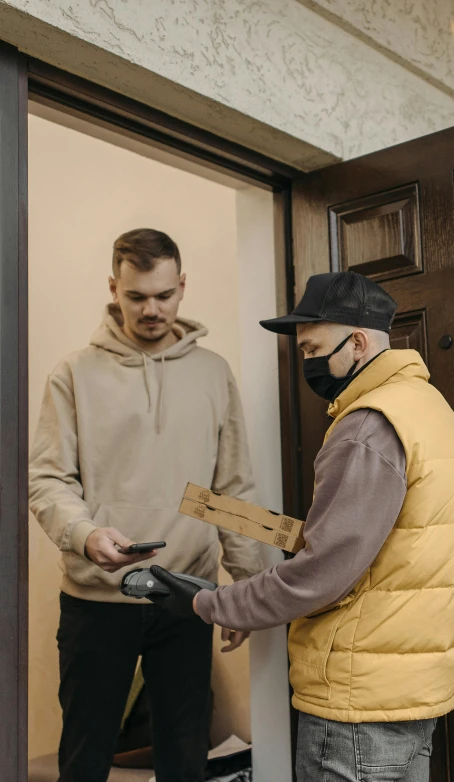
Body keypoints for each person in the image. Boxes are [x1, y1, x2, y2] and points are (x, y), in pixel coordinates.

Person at [150, 271, 454, 782]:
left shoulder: (367, 426)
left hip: (355, 703)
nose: (305, 362)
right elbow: (374, 539)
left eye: (311, 349)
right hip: (409, 693)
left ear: (358, 342)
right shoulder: (428, 410)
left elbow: (324, 570)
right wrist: (222, 510)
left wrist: (211, 603)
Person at [29, 228, 262, 782]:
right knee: (85, 759)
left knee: (184, 757)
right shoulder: (73, 372)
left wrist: (250, 587)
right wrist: (85, 534)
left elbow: (233, 487)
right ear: (114, 288)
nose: (151, 309)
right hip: (95, 600)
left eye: (163, 294)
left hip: (187, 597)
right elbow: (46, 479)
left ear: (182, 286)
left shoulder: (214, 372)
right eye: (136, 297)